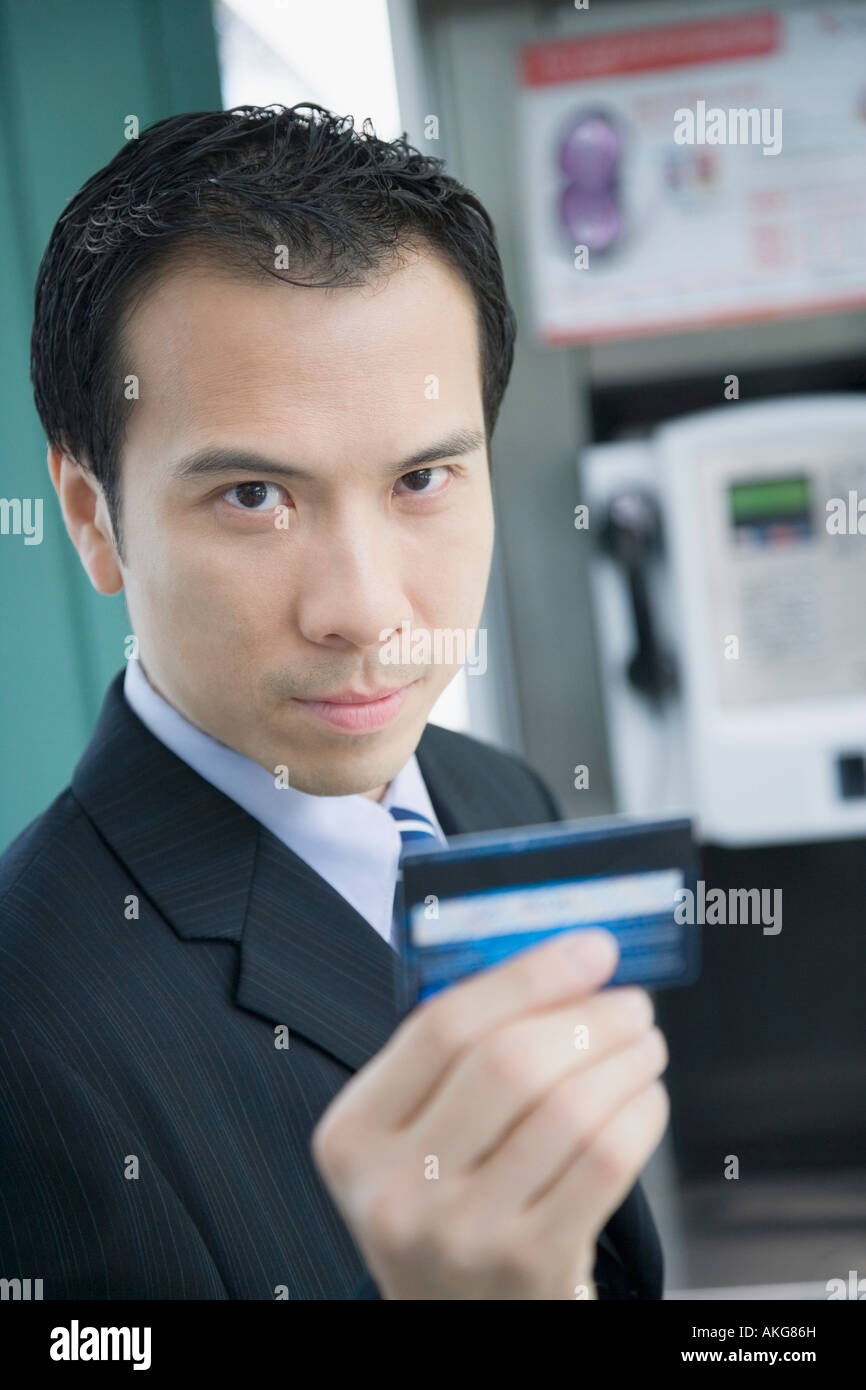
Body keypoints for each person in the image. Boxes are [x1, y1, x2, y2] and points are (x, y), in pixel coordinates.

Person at [0, 104, 668, 1300]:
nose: (363, 611)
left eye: (421, 477)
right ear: (95, 517)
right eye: (254, 495)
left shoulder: (487, 795)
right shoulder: (25, 1037)